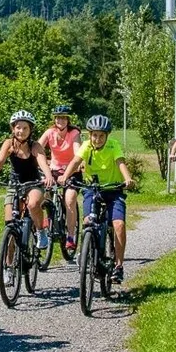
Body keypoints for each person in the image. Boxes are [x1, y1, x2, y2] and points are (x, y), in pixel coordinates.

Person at [63, 114, 134, 283]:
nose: (98, 139)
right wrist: (65, 176)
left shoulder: (113, 145)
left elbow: (120, 162)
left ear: (107, 136)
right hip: (92, 189)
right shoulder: (86, 146)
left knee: (118, 225)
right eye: (94, 135)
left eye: (101, 135)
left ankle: (118, 266)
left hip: (114, 189)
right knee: (88, 221)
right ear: (90, 134)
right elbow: (75, 161)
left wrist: (127, 178)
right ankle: (86, 250)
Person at [0, 110, 53, 251]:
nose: (21, 131)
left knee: (33, 204)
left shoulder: (35, 146)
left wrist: (48, 176)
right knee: (10, 225)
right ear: (13, 128)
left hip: (33, 184)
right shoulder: (9, 144)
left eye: (25, 128)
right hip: (14, 185)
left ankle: (40, 231)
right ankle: (8, 268)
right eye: (18, 127)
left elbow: (42, 162)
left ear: (30, 129)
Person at [38, 105, 84, 255]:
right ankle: (47, 218)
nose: (61, 120)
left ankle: (70, 236)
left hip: (72, 171)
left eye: (64, 117)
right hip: (54, 170)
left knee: (69, 199)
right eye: (58, 117)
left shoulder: (74, 133)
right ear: (54, 119)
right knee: (42, 189)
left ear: (68, 119)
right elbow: (37, 148)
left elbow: (77, 151)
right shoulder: (49, 132)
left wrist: (74, 167)